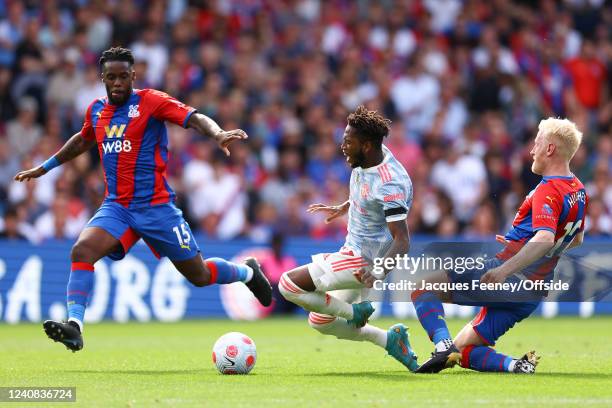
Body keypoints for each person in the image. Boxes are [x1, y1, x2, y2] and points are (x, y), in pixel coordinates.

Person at [14, 47, 272, 352]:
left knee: (199, 275)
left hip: (157, 208)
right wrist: (45, 168)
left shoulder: (151, 101)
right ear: (103, 79)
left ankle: (246, 271)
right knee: (82, 250)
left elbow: (194, 117)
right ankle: (75, 326)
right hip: (118, 207)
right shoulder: (96, 110)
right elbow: (84, 139)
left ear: (133, 76)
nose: (118, 83)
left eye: (124, 76)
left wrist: (217, 134)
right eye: (112, 77)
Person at [410, 118, 587, 374]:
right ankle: (516, 365)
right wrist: (526, 249)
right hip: (533, 292)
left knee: (422, 288)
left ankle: (441, 344)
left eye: (536, 143)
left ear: (550, 149)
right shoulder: (578, 189)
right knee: (463, 351)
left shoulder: (548, 190)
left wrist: (505, 270)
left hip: (509, 277)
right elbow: (576, 239)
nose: (531, 150)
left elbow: (545, 238)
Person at [278, 105, 419, 372]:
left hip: (363, 261)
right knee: (321, 320)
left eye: (348, 141)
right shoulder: (369, 158)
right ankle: (390, 340)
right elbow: (371, 196)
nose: (342, 146)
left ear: (366, 145)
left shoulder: (391, 183)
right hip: (354, 251)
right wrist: (347, 205)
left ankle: (355, 313)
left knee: (288, 284)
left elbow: (402, 240)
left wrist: (377, 272)